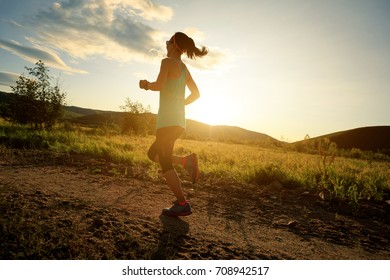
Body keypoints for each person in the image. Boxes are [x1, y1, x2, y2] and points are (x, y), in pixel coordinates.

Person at [139, 32, 208, 217]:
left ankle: (182, 203)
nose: (166, 45)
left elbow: (159, 85)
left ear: (174, 45)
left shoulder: (167, 62)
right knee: (153, 154)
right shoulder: (184, 69)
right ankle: (186, 161)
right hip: (178, 121)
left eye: (167, 41)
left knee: (165, 162)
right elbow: (196, 94)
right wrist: (181, 104)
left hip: (167, 121)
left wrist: (146, 84)